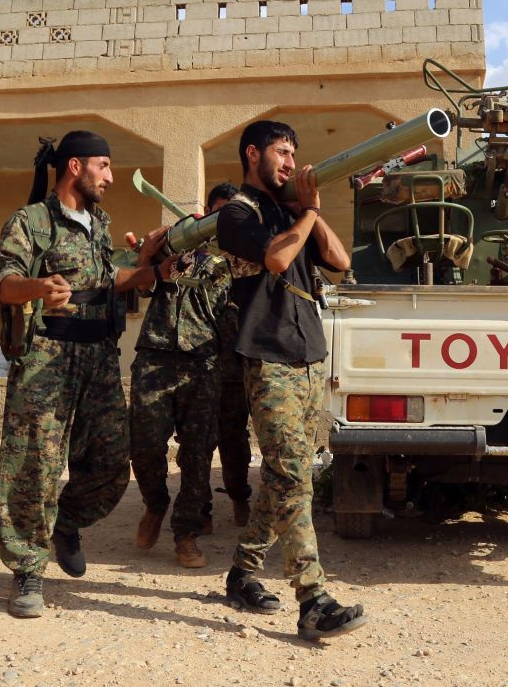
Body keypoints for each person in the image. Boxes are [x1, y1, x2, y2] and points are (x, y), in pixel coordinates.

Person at [0, 131, 175, 618]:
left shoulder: (99, 224)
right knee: (34, 465)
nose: (111, 178)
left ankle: (65, 522)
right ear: (75, 167)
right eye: (104, 167)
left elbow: (109, 280)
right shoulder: (30, 221)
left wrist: (154, 271)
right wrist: (37, 287)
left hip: (97, 356)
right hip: (47, 357)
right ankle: (28, 570)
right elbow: (6, 283)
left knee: (114, 461)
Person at [215, 120, 366, 640]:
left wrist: (310, 211)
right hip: (268, 356)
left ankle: (241, 573)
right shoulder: (238, 212)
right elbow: (278, 258)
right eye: (281, 152)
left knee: (287, 472)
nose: (288, 162)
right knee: (292, 476)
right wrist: (307, 214)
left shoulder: (291, 213)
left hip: (306, 356)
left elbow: (341, 263)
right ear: (253, 154)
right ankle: (313, 598)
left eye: (292, 153)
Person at [131, 189, 232, 568]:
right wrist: (147, 254)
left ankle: (186, 534)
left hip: (202, 364)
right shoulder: (169, 247)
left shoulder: (229, 266)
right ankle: (155, 504)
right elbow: (141, 286)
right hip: (155, 358)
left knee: (198, 456)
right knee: (143, 445)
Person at [200, 182, 253, 532]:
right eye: (218, 213)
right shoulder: (196, 257)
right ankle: (199, 511)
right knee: (196, 444)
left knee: (234, 443)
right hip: (198, 367)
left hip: (234, 368)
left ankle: (239, 498)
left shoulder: (246, 253)